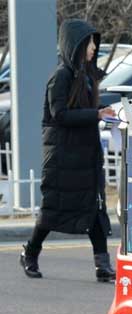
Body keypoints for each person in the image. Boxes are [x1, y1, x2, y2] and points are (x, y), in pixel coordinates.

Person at [19, 19, 117, 282]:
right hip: (63, 156)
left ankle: (102, 266)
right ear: (75, 45)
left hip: (84, 155)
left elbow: (83, 109)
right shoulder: (61, 76)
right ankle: (30, 253)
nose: (94, 47)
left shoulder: (85, 76)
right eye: (89, 42)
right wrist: (95, 114)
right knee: (53, 209)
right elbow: (59, 114)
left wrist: (104, 112)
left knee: (94, 208)